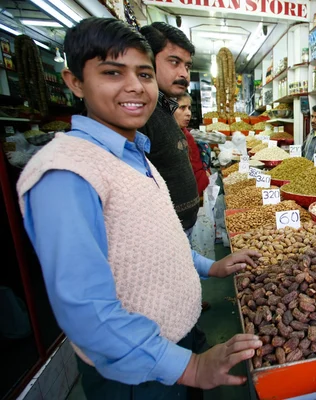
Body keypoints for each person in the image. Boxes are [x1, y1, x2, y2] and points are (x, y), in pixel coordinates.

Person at [16, 18, 262, 399]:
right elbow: (88, 313)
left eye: (144, 74)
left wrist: (210, 267)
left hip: (176, 342)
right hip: (137, 375)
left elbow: (158, 240)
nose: (134, 86)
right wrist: (190, 366)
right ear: (75, 81)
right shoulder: (65, 172)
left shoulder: (134, 154)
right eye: (112, 72)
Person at [139, 22, 200, 237]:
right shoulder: (141, 114)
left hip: (181, 227)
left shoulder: (164, 107)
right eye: (174, 62)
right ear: (146, 60)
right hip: (163, 232)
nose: (184, 73)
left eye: (188, 66)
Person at [173, 92, 210, 198]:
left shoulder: (185, 133)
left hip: (196, 190)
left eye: (189, 108)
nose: (188, 113)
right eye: (182, 108)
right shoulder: (172, 136)